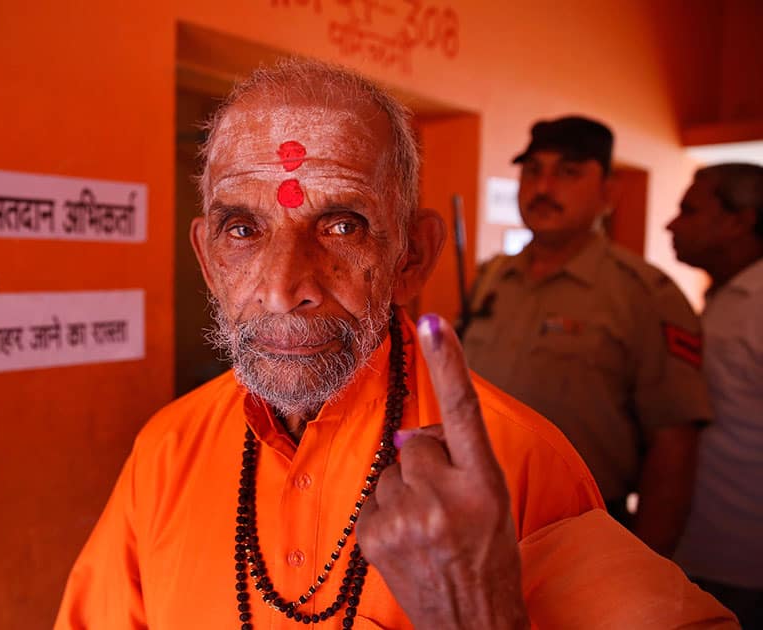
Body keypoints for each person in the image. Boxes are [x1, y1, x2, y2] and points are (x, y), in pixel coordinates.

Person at [53, 60, 733, 628]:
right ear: (207, 260)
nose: (285, 289)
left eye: (342, 226)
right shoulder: (167, 451)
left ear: (411, 257)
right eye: (244, 230)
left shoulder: (519, 462)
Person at [461, 116, 713, 556]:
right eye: (533, 170)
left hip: (583, 531)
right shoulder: (491, 280)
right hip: (475, 519)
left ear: (609, 194)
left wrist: (644, 565)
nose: (544, 186)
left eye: (569, 172)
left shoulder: (644, 295)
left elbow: (673, 443)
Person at [668, 163, 763, 627]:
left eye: (689, 210)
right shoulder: (729, 298)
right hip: (706, 549)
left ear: (739, 221)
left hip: (745, 565)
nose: (671, 223)